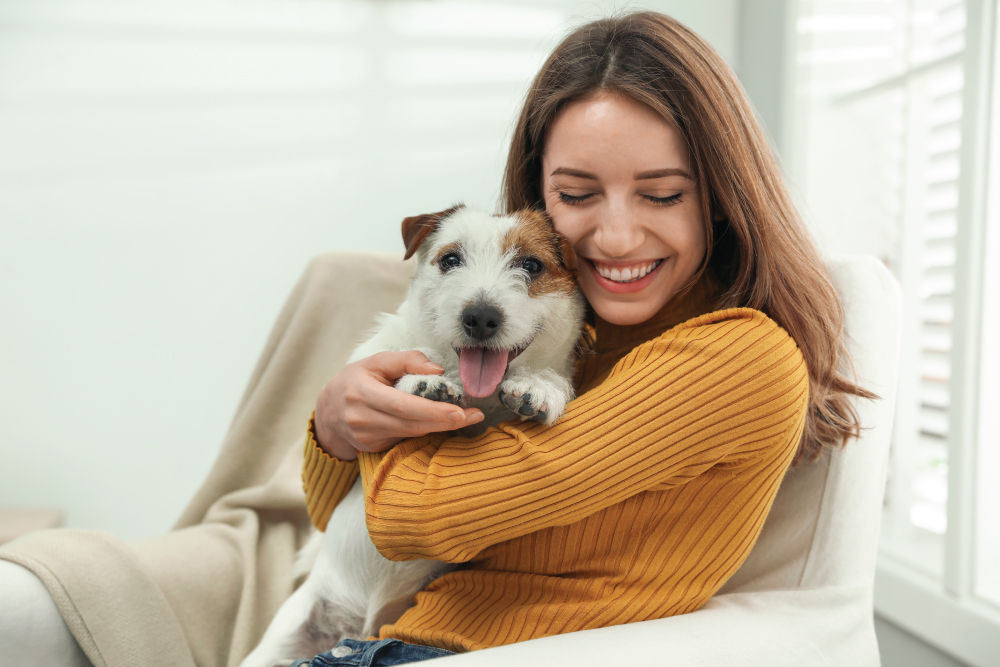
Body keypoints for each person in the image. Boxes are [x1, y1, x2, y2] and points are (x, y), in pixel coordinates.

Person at [0, 11, 870, 667]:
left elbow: (422, 515)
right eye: (577, 192)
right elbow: (331, 507)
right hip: (388, 635)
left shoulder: (736, 357)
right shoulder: (576, 332)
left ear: (721, 195)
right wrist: (332, 426)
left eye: (661, 193)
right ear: (536, 199)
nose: (612, 235)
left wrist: (363, 417)